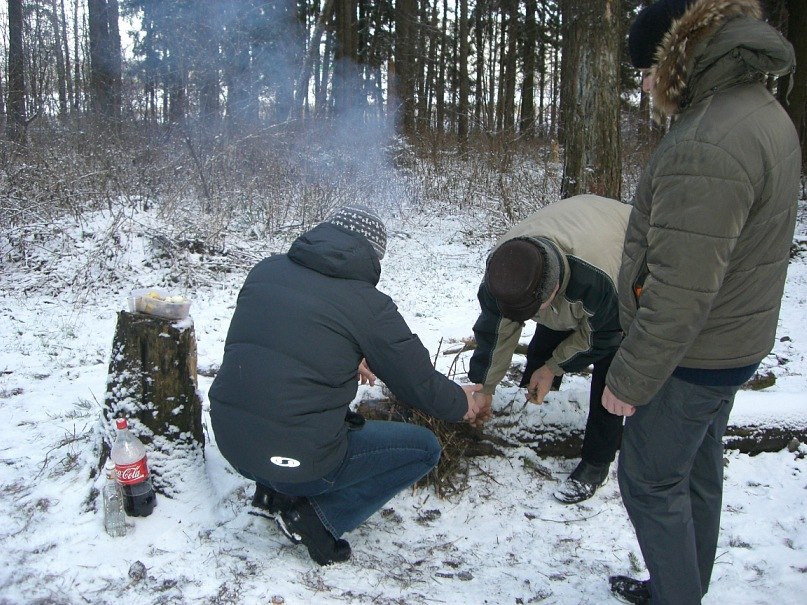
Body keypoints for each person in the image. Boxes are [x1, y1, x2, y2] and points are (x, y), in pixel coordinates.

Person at [603, 1, 800, 603]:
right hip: (731, 343)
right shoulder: (759, 111)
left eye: (645, 67)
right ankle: (677, 585)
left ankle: (677, 594)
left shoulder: (707, 143)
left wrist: (629, 378)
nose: (641, 82)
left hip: (691, 355)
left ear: (677, 57)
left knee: (649, 482)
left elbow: (681, 288)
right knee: (695, 474)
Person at [209, 205, 483, 566]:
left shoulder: (266, 271)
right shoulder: (368, 306)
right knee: (424, 448)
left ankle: (273, 491)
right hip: (301, 461)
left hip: (235, 446)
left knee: (283, 407)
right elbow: (419, 385)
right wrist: (462, 402)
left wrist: (349, 354)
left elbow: (282, 342)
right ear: (371, 256)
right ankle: (320, 519)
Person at [468, 194, 631, 503]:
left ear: (556, 289)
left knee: (612, 362)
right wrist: (484, 388)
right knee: (550, 326)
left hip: (624, 241)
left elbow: (603, 336)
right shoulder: (505, 268)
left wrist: (554, 366)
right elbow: (496, 329)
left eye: (534, 308)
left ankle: (597, 460)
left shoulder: (600, 282)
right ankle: (538, 400)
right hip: (572, 236)